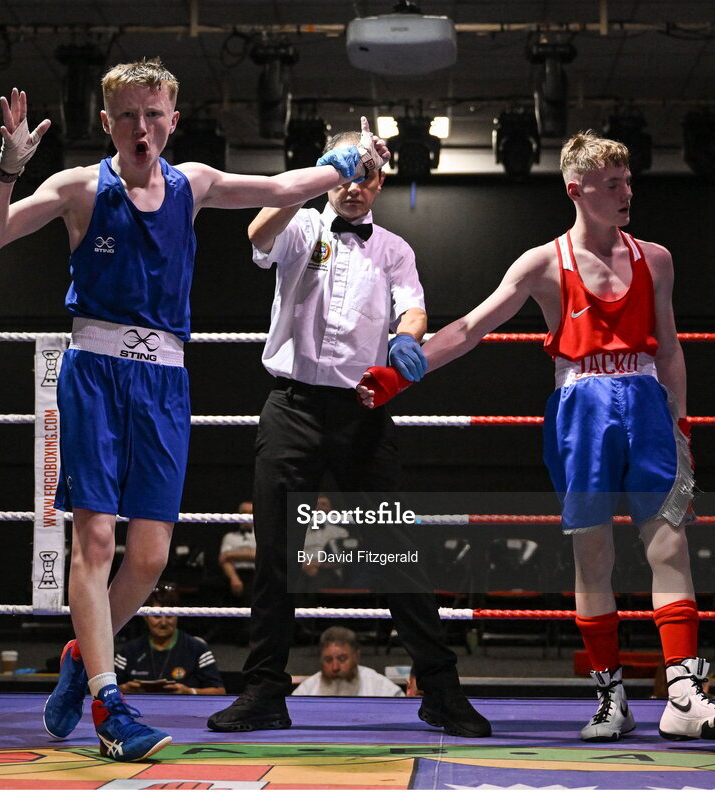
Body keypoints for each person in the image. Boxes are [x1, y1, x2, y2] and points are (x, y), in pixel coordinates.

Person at [0, 58, 387, 761]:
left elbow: (284, 186)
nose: (143, 127)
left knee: (151, 555)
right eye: (128, 115)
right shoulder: (79, 187)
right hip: (96, 372)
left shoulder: (191, 184)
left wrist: (348, 158)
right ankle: (109, 705)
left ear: (173, 116)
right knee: (95, 540)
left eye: (154, 114)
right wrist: (6, 167)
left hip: (164, 378)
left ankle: (83, 654)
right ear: (108, 122)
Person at [358, 130, 715, 743]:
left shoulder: (657, 258)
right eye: (613, 184)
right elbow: (469, 328)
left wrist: (682, 426)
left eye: (628, 181)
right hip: (582, 406)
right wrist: (396, 376)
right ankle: (610, 698)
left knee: (669, 544)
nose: (627, 193)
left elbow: (670, 350)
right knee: (592, 555)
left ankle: (682, 693)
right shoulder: (543, 262)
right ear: (577, 189)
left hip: (648, 405)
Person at [207, 130, 490, 738]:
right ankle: (263, 691)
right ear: (332, 173)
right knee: (275, 556)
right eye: (348, 173)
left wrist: (408, 339)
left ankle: (440, 692)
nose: (356, 185)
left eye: (367, 175)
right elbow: (256, 235)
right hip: (292, 407)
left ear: (381, 182)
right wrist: (316, 175)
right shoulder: (302, 224)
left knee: (395, 554)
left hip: (363, 411)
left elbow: (412, 306)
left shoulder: (393, 248)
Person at [116, 586, 225, 695]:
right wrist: (124, 689)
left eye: (169, 616)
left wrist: (189, 691)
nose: (163, 623)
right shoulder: (129, 651)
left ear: (178, 615)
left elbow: (220, 691)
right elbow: (107, 689)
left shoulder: (197, 648)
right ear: (145, 617)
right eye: (157, 616)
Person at [292, 626, 404, 697]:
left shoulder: (382, 689)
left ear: (356, 656)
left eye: (342, 659)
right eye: (328, 660)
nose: (335, 667)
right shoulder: (306, 692)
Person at [218, 501, 256, 601]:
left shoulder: (262, 536)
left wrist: (230, 554)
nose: (247, 516)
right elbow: (223, 559)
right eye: (244, 512)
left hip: (256, 575)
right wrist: (234, 578)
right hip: (234, 575)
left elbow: (258, 555)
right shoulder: (229, 537)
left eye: (251, 513)